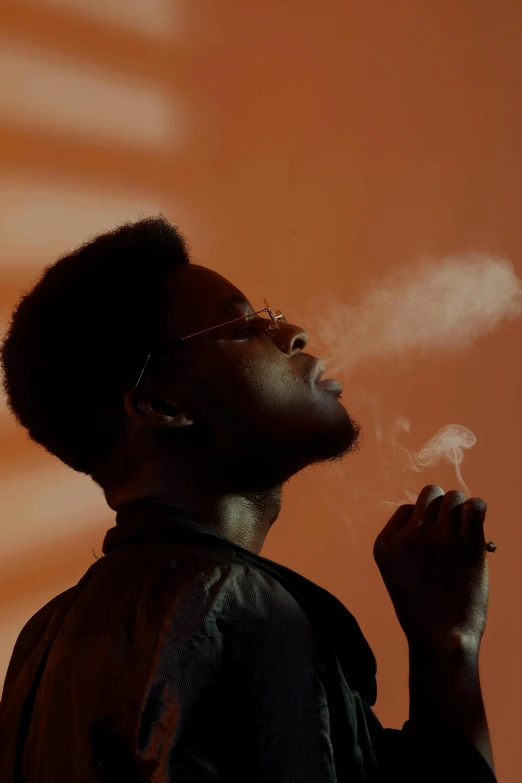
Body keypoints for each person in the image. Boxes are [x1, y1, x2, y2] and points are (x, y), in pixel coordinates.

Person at [0, 217, 496, 781]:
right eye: (240, 328)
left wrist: (442, 634)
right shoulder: (238, 610)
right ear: (162, 407)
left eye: (270, 318)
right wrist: (450, 645)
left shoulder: (42, 641)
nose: (295, 335)